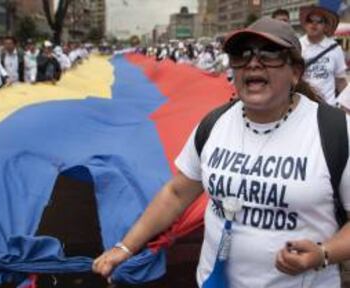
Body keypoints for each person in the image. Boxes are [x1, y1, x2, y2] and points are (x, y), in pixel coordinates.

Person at [93, 17, 350, 287]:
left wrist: (323, 254)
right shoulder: (214, 124)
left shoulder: (335, 132)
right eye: (242, 55)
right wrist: (125, 248)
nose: (253, 63)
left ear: (295, 71)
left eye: (270, 54)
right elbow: (176, 194)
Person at [300, 5, 348, 106]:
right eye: (310, 20)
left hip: (328, 107)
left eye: (319, 21)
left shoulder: (335, 48)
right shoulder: (297, 45)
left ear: (325, 26)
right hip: (302, 106)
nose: (314, 24)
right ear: (305, 23)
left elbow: (340, 81)